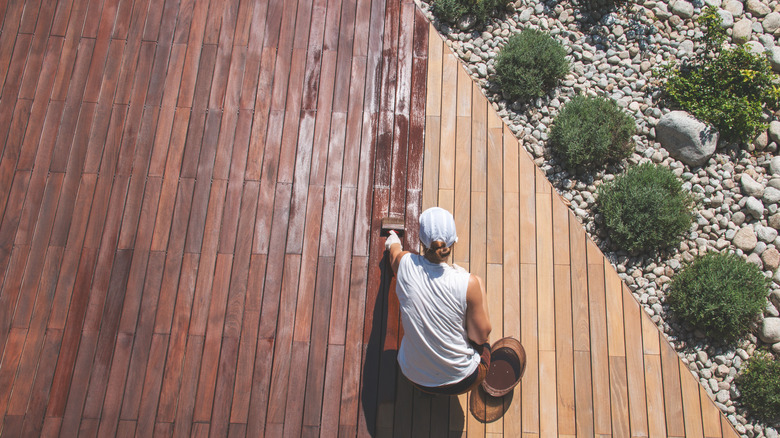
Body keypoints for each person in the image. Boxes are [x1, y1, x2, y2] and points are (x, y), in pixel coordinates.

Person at [384, 207, 492, 395]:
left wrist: (393, 240)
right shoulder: (468, 283)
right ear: (453, 242)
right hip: (463, 380)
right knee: (485, 338)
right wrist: (477, 286)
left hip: (413, 375)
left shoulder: (405, 264)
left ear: (421, 241)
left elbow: (394, 254)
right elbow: (480, 337)